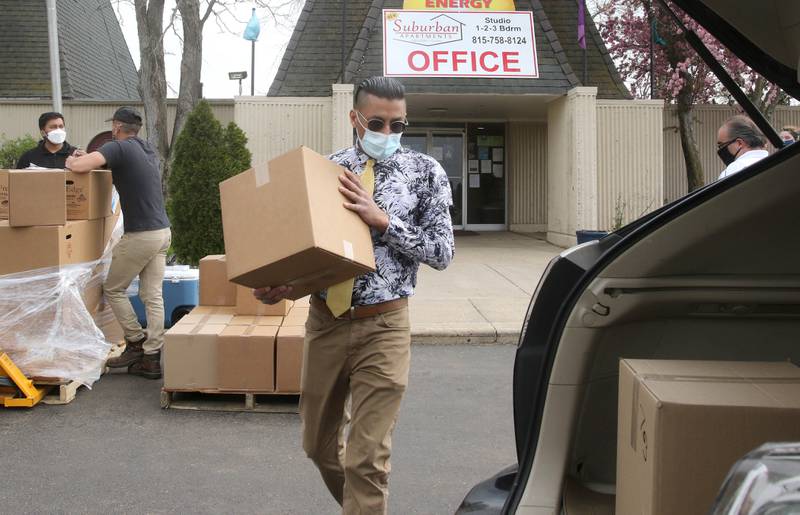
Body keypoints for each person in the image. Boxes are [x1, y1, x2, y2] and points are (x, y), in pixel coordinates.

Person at [255, 77, 455, 513]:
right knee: (318, 446)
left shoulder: (424, 173)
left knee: (367, 459)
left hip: (384, 328)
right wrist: (285, 286)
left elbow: (442, 252)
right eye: (378, 122)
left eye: (398, 125)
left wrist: (384, 221)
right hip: (326, 321)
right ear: (355, 119)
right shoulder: (327, 170)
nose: (388, 133)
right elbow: (313, 252)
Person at [65, 107, 171, 379]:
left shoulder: (118, 147)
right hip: (162, 232)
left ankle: (134, 342)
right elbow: (106, 163)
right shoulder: (145, 149)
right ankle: (152, 358)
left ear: (116, 127)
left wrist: (73, 161)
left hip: (141, 235)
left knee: (113, 288)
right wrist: (90, 157)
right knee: (153, 296)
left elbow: (78, 167)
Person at [16, 112, 84, 169]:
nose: (58, 130)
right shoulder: (29, 157)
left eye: (61, 126)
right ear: (43, 132)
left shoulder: (75, 155)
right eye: (53, 127)